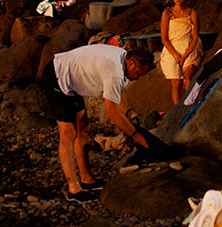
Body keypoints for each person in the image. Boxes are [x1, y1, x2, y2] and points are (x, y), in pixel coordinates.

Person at [39, 43, 154, 202]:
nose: (140, 77)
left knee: (83, 128)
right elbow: (112, 112)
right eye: (140, 73)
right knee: (68, 133)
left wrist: (130, 113)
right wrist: (138, 137)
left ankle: (87, 180)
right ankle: (74, 189)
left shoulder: (122, 59)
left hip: (73, 82)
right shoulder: (114, 70)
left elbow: (115, 95)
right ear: (131, 63)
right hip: (57, 76)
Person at [160, 0, 203, 104]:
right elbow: (164, 39)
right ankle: (177, 112)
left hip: (189, 48)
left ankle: (190, 106)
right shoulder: (167, 13)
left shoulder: (192, 13)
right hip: (172, 49)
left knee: (188, 78)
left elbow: (195, 37)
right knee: (176, 82)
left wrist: (184, 55)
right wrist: (176, 55)